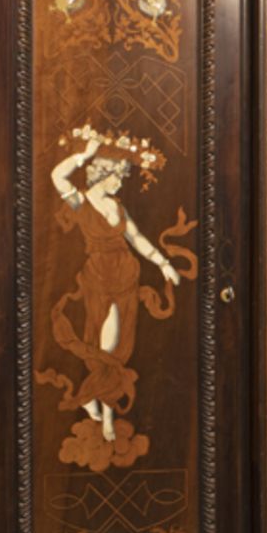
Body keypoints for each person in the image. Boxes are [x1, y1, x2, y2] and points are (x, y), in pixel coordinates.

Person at [47, 130, 181, 448]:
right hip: (98, 278)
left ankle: (91, 400)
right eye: (118, 177)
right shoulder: (80, 201)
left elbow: (136, 239)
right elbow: (56, 175)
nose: (121, 183)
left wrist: (163, 263)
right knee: (105, 346)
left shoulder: (118, 207)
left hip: (126, 278)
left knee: (120, 345)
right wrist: (84, 155)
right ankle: (101, 409)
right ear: (104, 173)